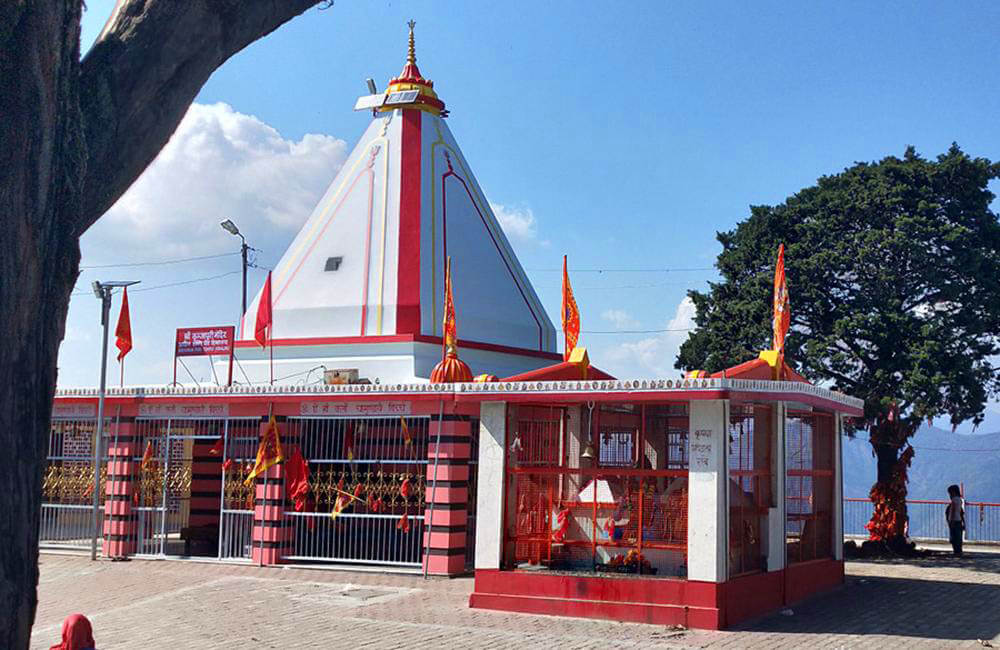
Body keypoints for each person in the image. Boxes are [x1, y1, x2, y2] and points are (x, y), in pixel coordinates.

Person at [945, 484, 965, 557]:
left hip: (953, 520)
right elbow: (961, 511)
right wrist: (963, 522)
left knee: (954, 537)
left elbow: (953, 510)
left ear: (953, 492)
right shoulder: (960, 500)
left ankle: (956, 551)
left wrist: (951, 521)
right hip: (959, 519)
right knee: (958, 537)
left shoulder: (954, 500)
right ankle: (959, 551)